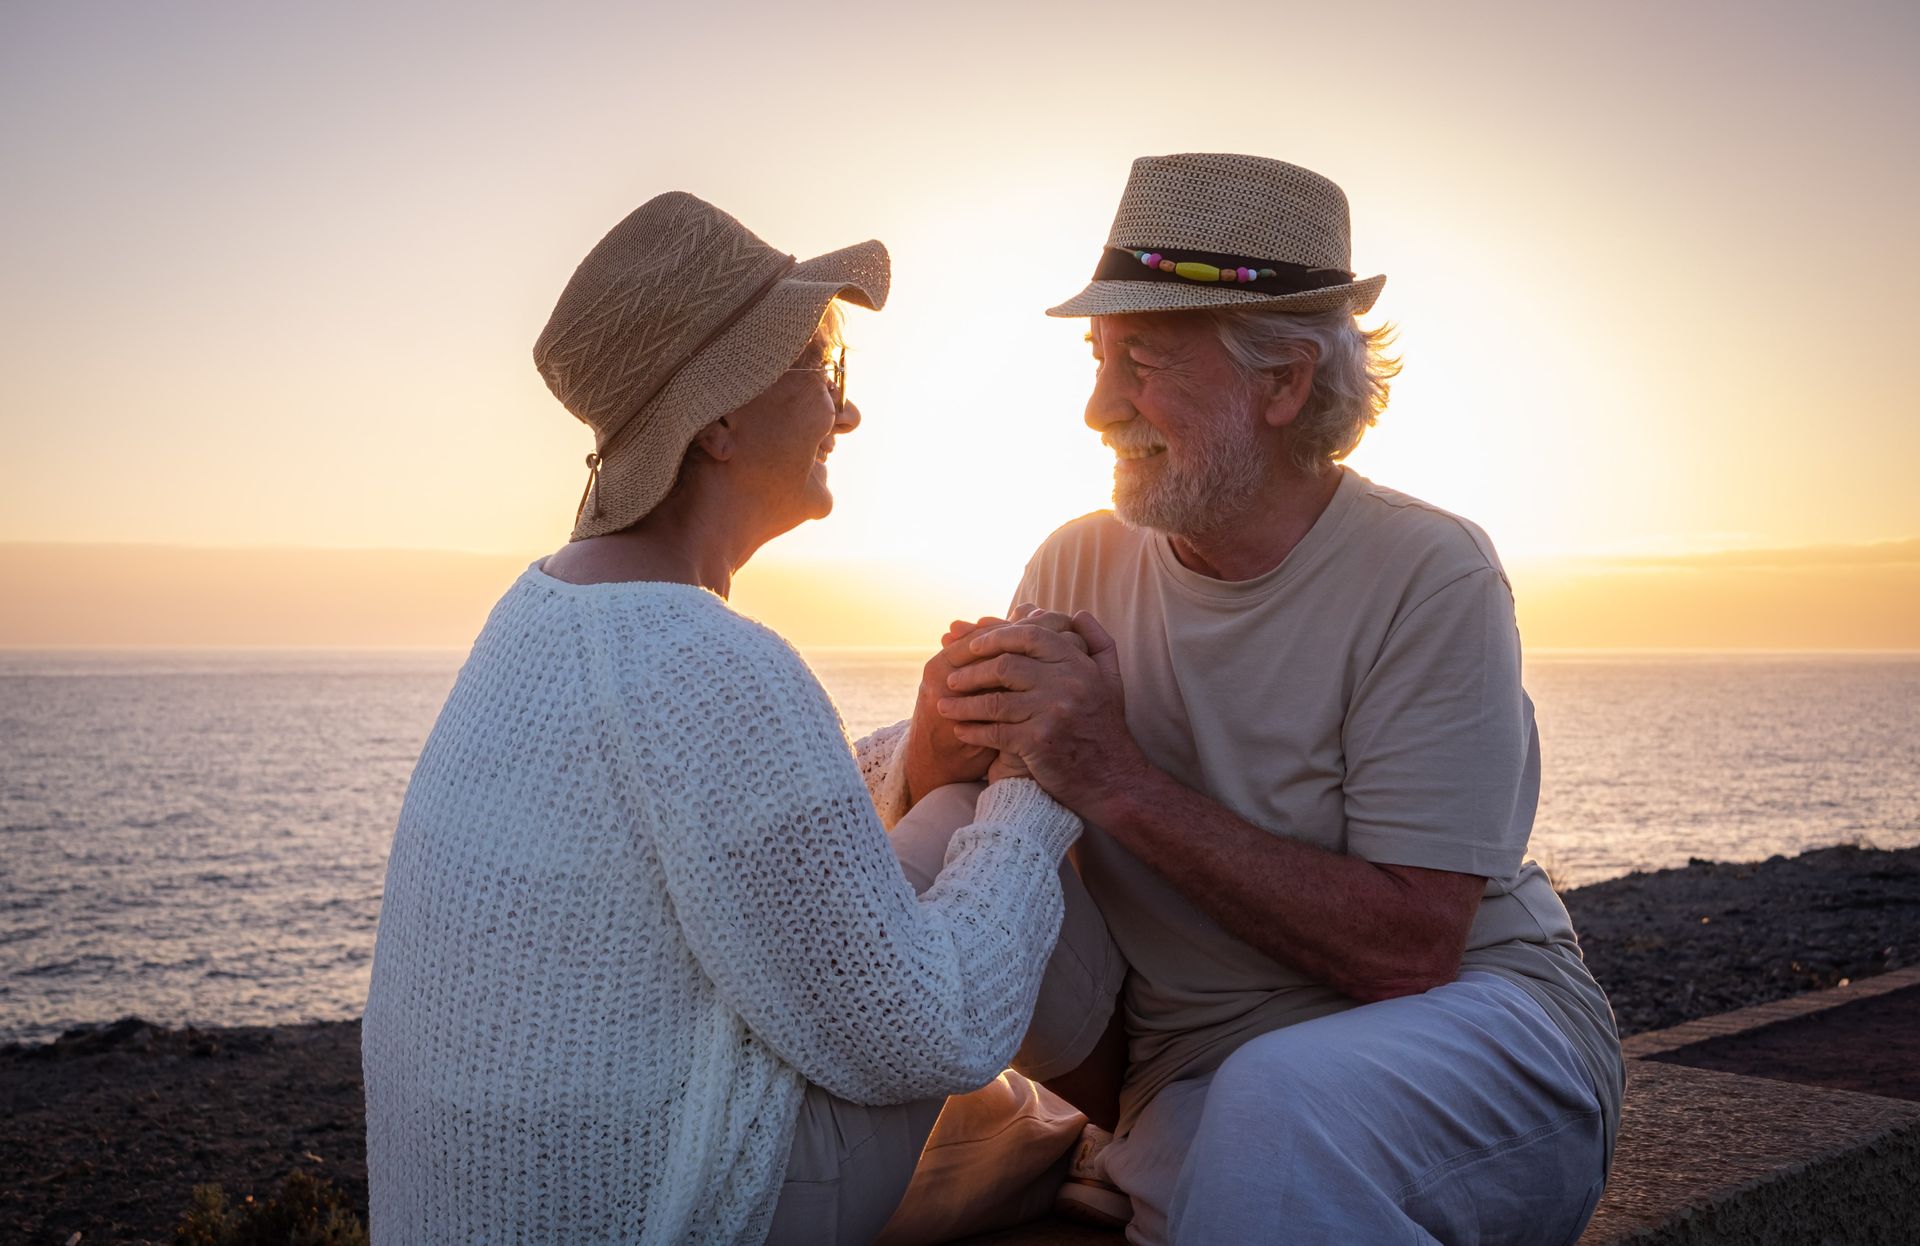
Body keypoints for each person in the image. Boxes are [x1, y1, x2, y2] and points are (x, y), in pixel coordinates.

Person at [880, 154, 1626, 1245]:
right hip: (1184, 1067)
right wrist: (941, 736)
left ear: (1282, 384)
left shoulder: (1430, 574)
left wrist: (1114, 775)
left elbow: (1412, 950)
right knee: (941, 843)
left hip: (1469, 1033)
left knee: (1273, 1108)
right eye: (1098, 356)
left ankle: (1167, 1158)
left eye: (1142, 361)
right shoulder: (1073, 563)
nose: (1097, 407)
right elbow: (990, 817)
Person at [361, 192, 1094, 1244]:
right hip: (662, 1217)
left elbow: (733, 827)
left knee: (921, 869)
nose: (847, 413)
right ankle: (1125, 1129)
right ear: (718, 420)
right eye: (825, 367)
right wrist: (1034, 778)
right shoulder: (708, 660)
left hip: (486, 1208)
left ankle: (1040, 1147)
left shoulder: (538, 611)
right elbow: (935, 1031)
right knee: (956, 840)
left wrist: (922, 749)